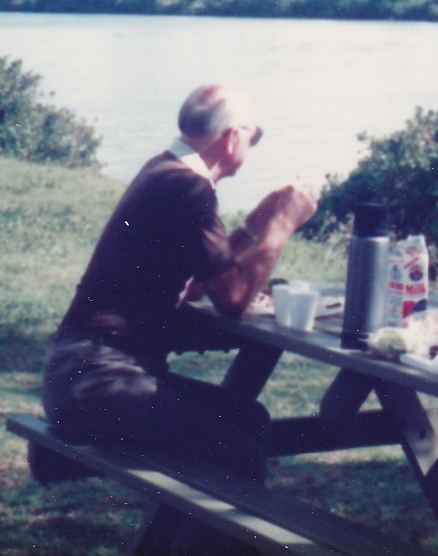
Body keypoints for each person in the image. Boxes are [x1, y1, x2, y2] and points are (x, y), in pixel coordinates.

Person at [39, 83, 317, 486]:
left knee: (249, 419)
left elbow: (202, 284)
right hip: (98, 380)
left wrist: (256, 225)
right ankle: (208, 529)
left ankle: (190, 528)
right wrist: (284, 223)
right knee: (238, 450)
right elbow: (234, 299)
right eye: (253, 136)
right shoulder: (189, 188)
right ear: (232, 138)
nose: (252, 144)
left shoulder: (167, 172)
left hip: (79, 374)